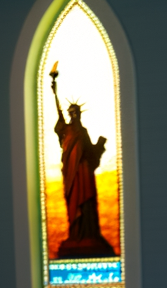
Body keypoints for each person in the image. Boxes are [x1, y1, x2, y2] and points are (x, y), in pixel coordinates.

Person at [51, 76, 115, 260]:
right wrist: (55, 92)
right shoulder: (66, 130)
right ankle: (76, 235)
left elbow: (91, 153)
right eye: (71, 113)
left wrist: (100, 145)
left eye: (76, 112)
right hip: (71, 173)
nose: (74, 115)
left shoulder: (83, 131)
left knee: (87, 202)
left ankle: (89, 234)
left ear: (80, 114)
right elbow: (59, 116)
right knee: (73, 203)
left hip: (85, 172)